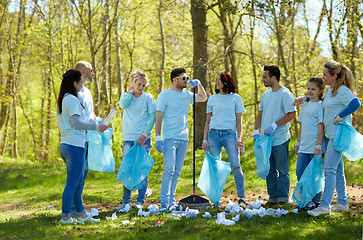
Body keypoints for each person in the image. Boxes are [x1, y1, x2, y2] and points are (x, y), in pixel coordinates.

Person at [306, 60, 361, 216]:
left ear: (334, 76)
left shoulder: (342, 90)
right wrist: (305, 99)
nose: (323, 77)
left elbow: (356, 103)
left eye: (325, 75)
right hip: (330, 135)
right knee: (337, 170)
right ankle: (342, 203)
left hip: (338, 135)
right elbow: (324, 104)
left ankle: (324, 206)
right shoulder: (331, 90)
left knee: (329, 170)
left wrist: (341, 115)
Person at [57, 69, 107, 224]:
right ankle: (65, 217)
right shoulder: (71, 99)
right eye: (80, 82)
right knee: (72, 183)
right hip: (74, 146)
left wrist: (97, 123)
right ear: (75, 83)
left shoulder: (66, 99)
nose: (81, 85)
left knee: (77, 183)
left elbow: (81, 120)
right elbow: (77, 123)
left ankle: (82, 214)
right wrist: (96, 128)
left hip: (68, 144)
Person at [155, 68, 207, 212]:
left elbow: (203, 98)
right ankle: (164, 203)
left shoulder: (186, 94)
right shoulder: (164, 95)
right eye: (184, 78)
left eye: (187, 78)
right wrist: (157, 136)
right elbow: (158, 116)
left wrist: (199, 85)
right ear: (175, 80)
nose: (186, 80)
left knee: (177, 172)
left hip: (183, 138)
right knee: (169, 169)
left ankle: (172, 201)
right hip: (169, 137)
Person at [201, 72, 247, 207]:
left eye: (219, 80)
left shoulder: (236, 98)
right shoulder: (212, 99)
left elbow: (239, 122)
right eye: (216, 80)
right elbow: (207, 121)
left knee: (236, 165)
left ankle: (242, 197)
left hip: (230, 135)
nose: (216, 83)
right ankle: (216, 200)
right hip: (213, 135)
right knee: (215, 167)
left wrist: (239, 138)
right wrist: (204, 140)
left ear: (226, 82)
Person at [253, 65, 296, 206]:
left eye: (265, 77)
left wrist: (275, 124)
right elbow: (260, 114)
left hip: (280, 138)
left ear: (273, 78)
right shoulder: (265, 95)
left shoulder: (285, 94)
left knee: (282, 169)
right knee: (269, 169)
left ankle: (283, 198)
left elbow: (292, 114)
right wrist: (255, 130)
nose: (262, 79)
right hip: (266, 140)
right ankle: (273, 198)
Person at [116, 70, 156, 210]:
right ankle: (126, 201)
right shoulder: (126, 97)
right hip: (128, 138)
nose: (141, 87)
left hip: (143, 139)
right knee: (127, 169)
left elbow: (152, 118)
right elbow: (123, 105)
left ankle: (140, 200)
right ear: (133, 82)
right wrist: (130, 93)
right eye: (139, 84)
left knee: (141, 169)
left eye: (143, 85)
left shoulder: (149, 98)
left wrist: (145, 134)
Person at [69, 61, 97, 216]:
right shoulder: (73, 93)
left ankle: (78, 209)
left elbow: (89, 114)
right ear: (83, 72)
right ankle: (73, 210)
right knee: (76, 176)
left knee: (83, 175)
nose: (93, 73)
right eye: (91, 70)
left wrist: (99, 122)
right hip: (76, 140)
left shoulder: (87, 92)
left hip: (88, 139)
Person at [295, 78, 326, 210]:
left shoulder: (321, 106)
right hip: (304, 146)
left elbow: (321, 127)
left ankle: (316, 200)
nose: (310, 91)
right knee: (300, 173)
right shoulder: (305, 106)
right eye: (308, 88)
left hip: (316, 147)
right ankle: (304, 200)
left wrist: (319, 145)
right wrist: (298, 141)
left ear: (320, 91)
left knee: (315, 175)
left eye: (313, 89)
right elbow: (302, 126)